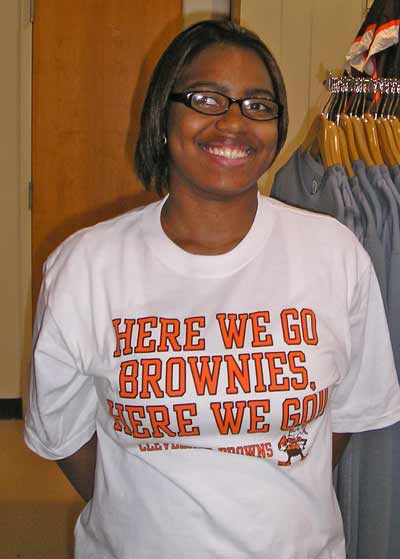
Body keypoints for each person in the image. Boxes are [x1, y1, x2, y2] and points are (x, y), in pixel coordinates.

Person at [24, 19, 400, 559]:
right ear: (162, 116)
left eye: (258, 104)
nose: (234, 123)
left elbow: (340, 424)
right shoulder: (86, 267)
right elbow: (66, 441)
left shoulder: (335, 255)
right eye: (207, 98)